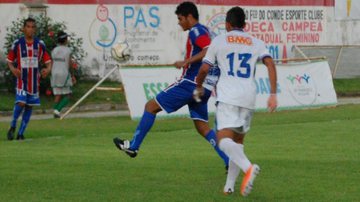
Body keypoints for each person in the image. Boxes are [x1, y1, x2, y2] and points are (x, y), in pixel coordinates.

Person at [113, 1, 229, 169]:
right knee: (203, 127)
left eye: (180, 18)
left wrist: (186, 61)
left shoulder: (196, 31)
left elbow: (208, 49)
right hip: (204, 88)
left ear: (189, 17)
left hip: (190, 84)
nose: (179, 22)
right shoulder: (205, 30)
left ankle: (133, 146)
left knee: (150, 106)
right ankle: (228, 161)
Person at [194, 7, 277, 196]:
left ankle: (249, 168)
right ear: (245, 25)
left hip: (228, 97)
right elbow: (270, 64)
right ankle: (229, 186)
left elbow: (204, 69)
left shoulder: (219, 41)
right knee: (237, 142)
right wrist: (273, 94)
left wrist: (198, 86)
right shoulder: (256, 42)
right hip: (249, 97)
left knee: (223, 140)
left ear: (227, 25)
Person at [6, 17, 52, 140]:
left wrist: (47, 69)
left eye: (33, 27)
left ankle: (21, 133)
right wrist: (13, 69)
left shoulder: (40, 44)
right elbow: (9, 61)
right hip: (22, 80)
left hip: (34, 82)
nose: (30, 29)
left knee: (29, 106)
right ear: (23, 28)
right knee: (21, 103)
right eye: (28, 27)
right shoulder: (18, 44)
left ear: (35, 29)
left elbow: (48, 61)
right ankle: (13, 125)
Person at [51, 31, 76, 118]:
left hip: (54, 73)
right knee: (68, 94)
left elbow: (52, 61)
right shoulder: (68, 50)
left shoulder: (54, 50)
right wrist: (72, 75)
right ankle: (57, 110)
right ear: (65, 40)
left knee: (58, 93)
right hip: (64, 73)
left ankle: (55, 111)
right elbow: (70, 64)